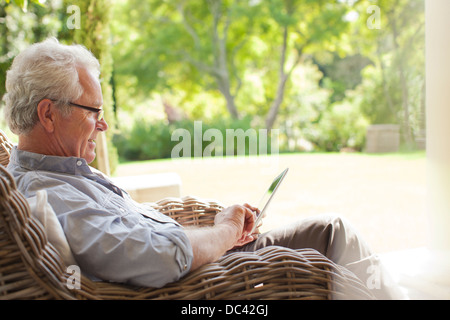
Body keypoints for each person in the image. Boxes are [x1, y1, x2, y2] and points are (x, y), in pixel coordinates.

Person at [3, 38, 402, 299]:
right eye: (94, 112)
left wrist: (218, 228)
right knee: (332, 234)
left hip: (206, 263)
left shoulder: (64, 174)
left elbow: (135, 233)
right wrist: (225, 233)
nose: (104, 125)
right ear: (49, 114)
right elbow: (155, 256)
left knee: (330, 231)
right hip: (205, 286)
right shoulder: (48, 192)